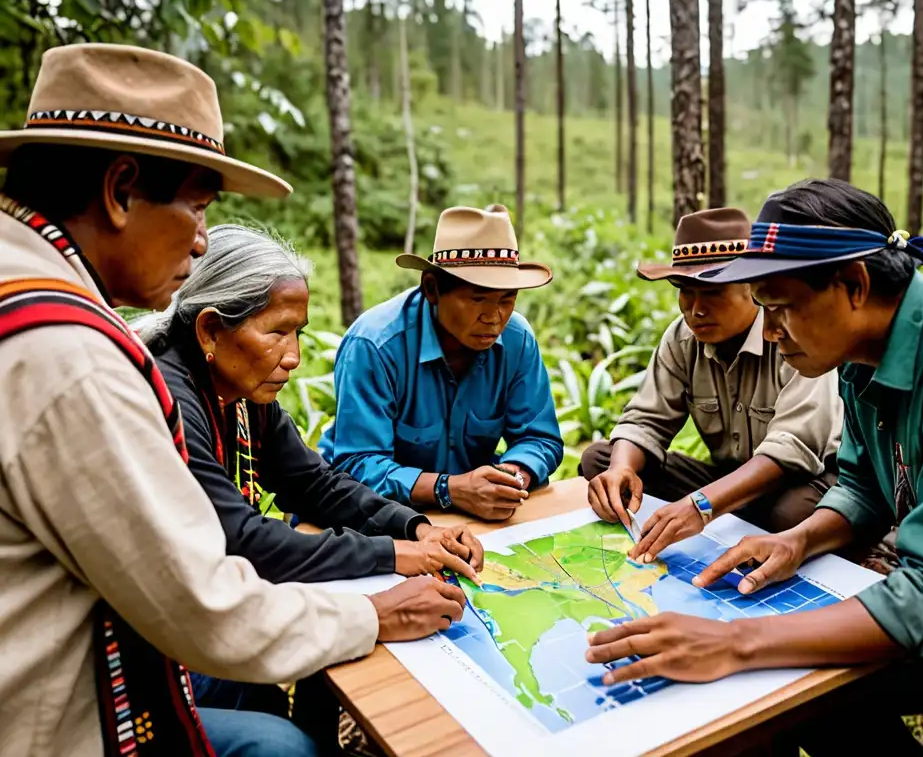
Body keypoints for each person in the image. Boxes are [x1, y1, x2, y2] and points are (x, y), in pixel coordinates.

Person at [0, 43, 464, 757]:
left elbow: (308, 478)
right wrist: (375, 603)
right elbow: (202, 597)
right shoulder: (75, 358)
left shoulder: (29, 295)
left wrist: (410, 526)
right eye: (197, 204)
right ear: (122, 190)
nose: (199, 241)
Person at [583, 179, 923, 757]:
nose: (768, 332)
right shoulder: (859, 356)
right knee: (796, 697)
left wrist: (737, 641)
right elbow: (864, 488)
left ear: (854, 286)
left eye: (779, 306)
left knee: (781, 671)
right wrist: (799, 539)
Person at [135, 223, 484, 721]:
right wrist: (395, 554)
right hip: (153, 645)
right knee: (283, 741)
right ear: (211, 329)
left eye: (296, 332)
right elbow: (243, 540)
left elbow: (313, 482)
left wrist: (415, 526)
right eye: (277, 332)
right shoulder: (169, 398)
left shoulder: (238, 391)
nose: (294, 357)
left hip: (197, 622)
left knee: (285, 704)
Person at [582, 207, 843, 562]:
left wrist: (702, 504)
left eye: (713, 292)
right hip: (729, 479)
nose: (695, 309)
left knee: (791, 514)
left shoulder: (790, 335)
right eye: (686, 292)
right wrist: (622, 468)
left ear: (753, 288)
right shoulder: (682, 338)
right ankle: (729, 518)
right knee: (602, 459)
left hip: (802, 482)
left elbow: (793, 448)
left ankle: (740, 522)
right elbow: (646, 421)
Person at [318, 204, 563, 521]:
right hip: (374, 514)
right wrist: (450, 489)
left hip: (470, 519)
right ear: (432, 289)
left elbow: (539, 437)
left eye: (507, 299)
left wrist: (511, 477)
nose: (494, 317)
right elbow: (359, 463)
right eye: (477, 298)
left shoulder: (518, 340)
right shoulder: (375, 345)